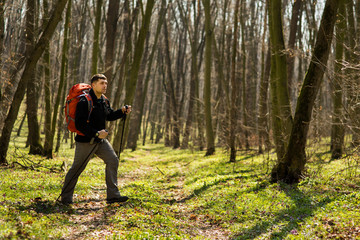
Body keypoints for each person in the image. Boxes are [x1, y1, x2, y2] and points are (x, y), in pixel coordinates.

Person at [61, 73, 131, 204]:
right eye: (101, 83)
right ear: (93, 85)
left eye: (106, 83)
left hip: (101, 141)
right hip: (85, 141)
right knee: (77, 168)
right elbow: (79, 125)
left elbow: (109, 115)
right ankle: (65, 198)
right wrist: (96, 133)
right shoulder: (84, 101)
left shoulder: (104, 100)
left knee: (113, 160)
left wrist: (121, 111)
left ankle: (113, 196)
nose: (105, 86)